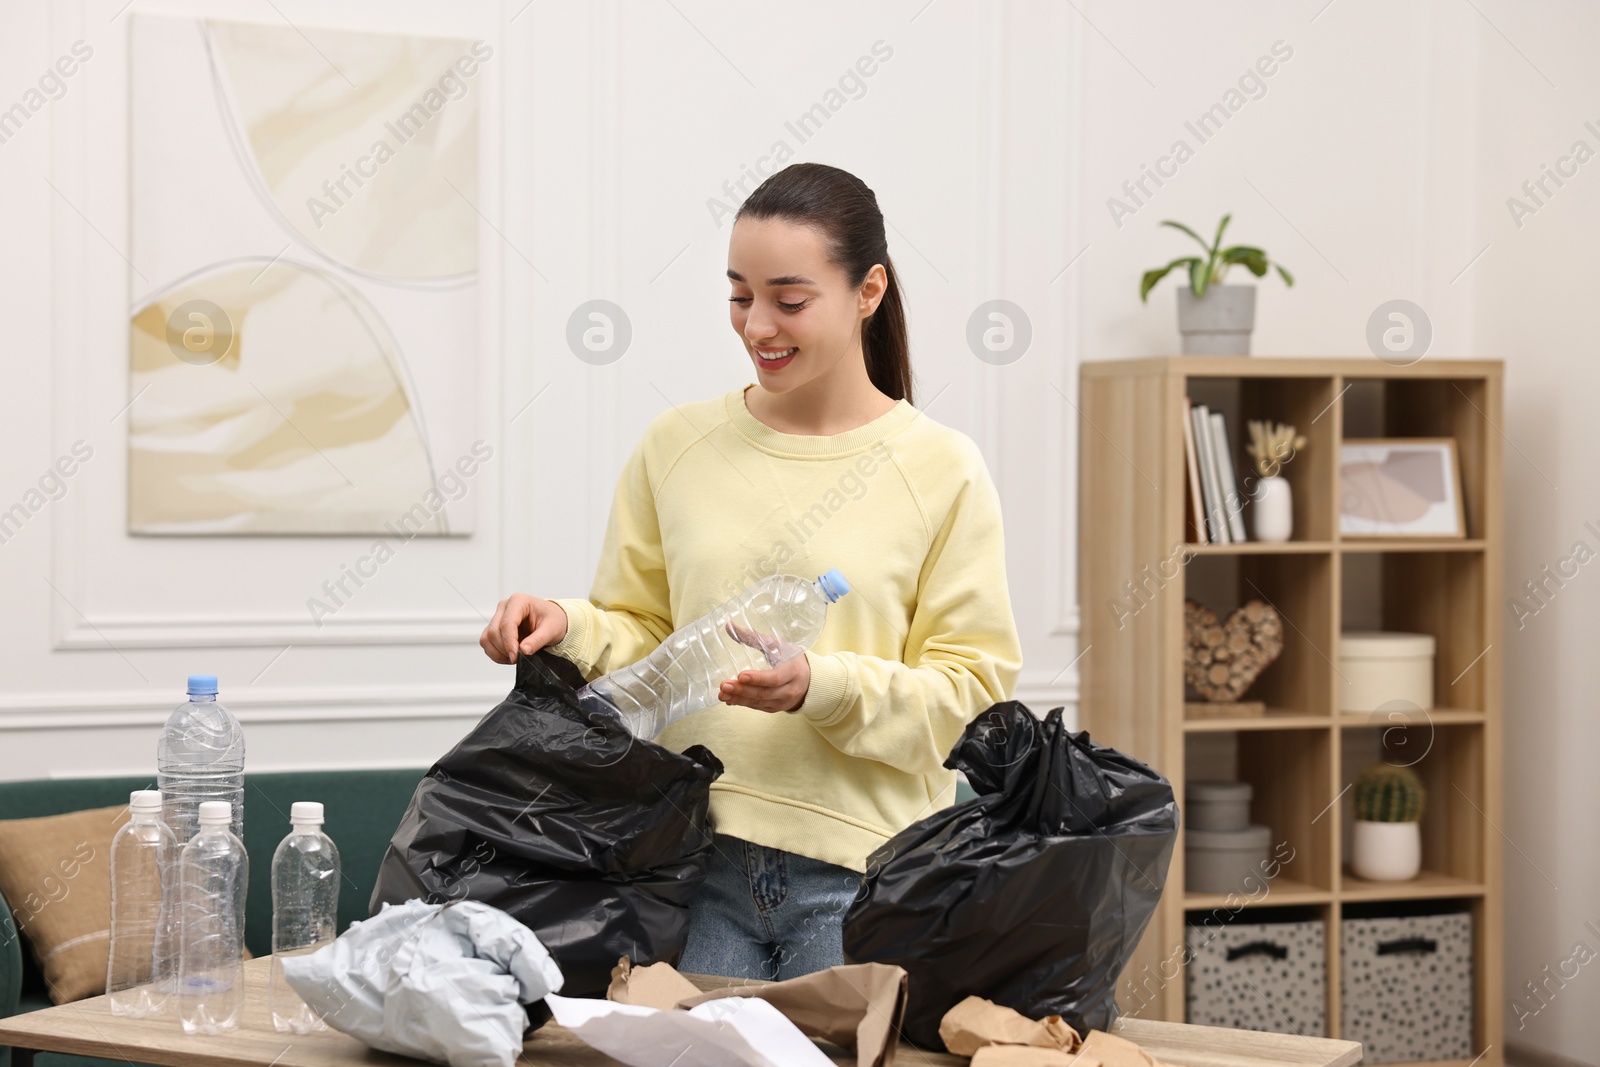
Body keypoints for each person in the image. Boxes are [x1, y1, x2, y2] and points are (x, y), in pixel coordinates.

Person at [480, 161, 1022, 981]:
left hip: (866, 879)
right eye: (740, 295)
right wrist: (571, 624)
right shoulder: (677, 446)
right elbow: (654, 638)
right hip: (688, 863)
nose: (757, 325)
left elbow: (972, 699)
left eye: (789, 299)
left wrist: (821, 685)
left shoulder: (942, 469)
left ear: (868, 290)